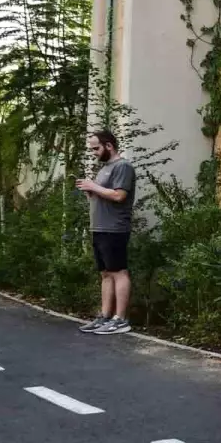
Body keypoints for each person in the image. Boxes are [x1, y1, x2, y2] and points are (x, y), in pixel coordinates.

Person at [76, 130, 136, 335]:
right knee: (105, 274)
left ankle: (120, 319)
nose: (93, 152)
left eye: (96, 148)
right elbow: (103, 196)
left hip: (115, 228)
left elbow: (119, 195)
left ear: (109, 146)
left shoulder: (123, 166)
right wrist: (91, 191)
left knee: (119, 272)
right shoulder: (104, 169)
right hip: (99, 228)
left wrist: (94, 186)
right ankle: (105, 317)